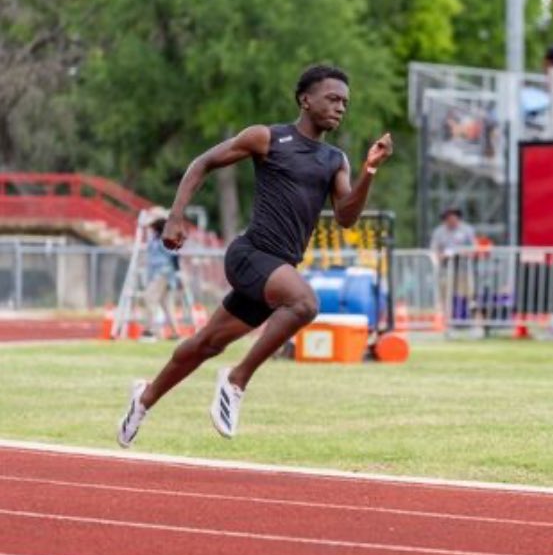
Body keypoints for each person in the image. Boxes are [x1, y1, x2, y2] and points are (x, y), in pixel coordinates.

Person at [116, 64, 394, 447]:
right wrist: (175, 217)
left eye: (345, 102)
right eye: (332, 98)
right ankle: (236, 380)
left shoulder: (335, 161)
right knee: (304, 304)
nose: (340, 107)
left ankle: (144, 398)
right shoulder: (267, 138)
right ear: (305, 99)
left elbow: (346, 217)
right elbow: (203, 163)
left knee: (207, 344)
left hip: (275, 271)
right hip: (250, 255)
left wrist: (369, 171)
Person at [141, 210, 183, 341]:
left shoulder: (165, 238)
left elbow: (174, 256)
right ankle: (176, 333)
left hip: (163, 272)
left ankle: (150, 331)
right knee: (166, 304)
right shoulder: (155, 238)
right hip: (158, 273)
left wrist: (177, 274)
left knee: (149, 298)